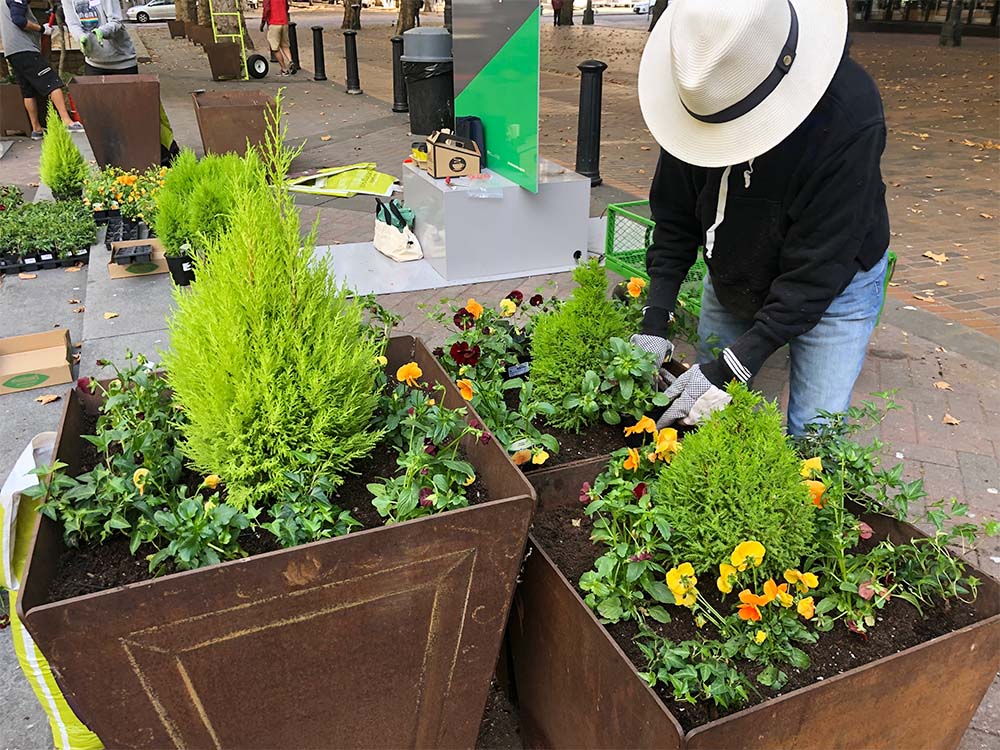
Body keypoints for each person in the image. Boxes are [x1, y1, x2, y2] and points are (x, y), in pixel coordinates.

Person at [632, 0, 889, 437]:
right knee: (720, 426)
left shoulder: (848, 118)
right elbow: (676, 217)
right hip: (734, 267)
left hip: (834, 283)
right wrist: (656, 318)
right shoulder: (700, 86)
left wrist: (736, 364)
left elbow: (817, 268)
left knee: (813, 435)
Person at [0, 0, 83, 139]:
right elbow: (18, 20)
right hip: (25, 50)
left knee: (28, 91)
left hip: (12, 52)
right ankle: (67, 122)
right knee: (53, 82)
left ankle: (36, 129)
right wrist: (41, 29)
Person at [61, 0, 137, 75]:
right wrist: (80, 36)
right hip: (93, 63)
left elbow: (116, 21)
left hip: (123, 62)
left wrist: (102, 32)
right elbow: (72, 24)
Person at [260, 0, 294, 76]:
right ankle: (290, 60)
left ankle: (284, 69)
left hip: (274, 22)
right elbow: (286, 7)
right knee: (285, 45)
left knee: (275, 48)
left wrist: (263, 22)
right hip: (284, 22)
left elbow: (267, 9)